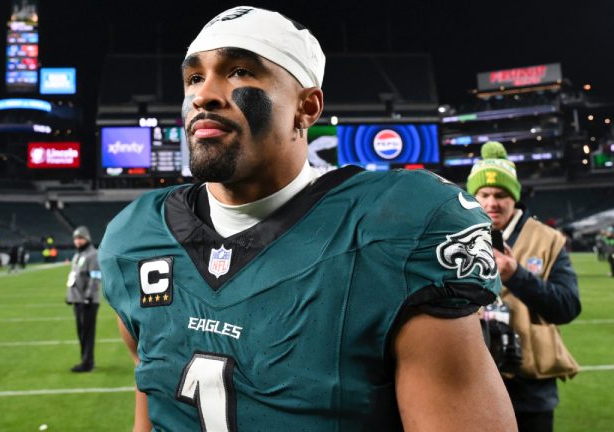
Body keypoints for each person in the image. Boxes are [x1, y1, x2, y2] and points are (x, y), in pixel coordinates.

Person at [99, 7, 515, 431]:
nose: (204, 95)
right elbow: (151, 400)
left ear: (307, 107)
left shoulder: (395, 226)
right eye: (193, 78)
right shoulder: (137, 236)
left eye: (239, 72)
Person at [468, 141, 581, 432]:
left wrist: (516, 275)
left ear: (514, 197)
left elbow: (567, 307)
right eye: (484, 194)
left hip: (531, 388)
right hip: (473, 380)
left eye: (501, 195)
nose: (491, 203)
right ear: (473, 197)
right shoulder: (456, 238)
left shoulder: (548, 239)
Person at [66, 226, 101, 373]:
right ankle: (85, 360)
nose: (78, 241)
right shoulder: (78, 255)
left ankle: (88, 363)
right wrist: (70, 295)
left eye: (80, 238)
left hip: (88, 300)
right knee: (81, 333)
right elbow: (74, 275)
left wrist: (88, 296)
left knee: (87, 333)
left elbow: (96, 277)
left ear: (87, 238)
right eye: (76, 238)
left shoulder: (93, 254)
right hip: (78, 299)